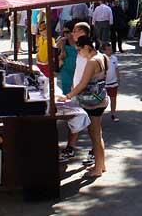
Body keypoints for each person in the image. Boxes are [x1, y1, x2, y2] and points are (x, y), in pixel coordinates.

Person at [58, 35, 109, 178]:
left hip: (92, 102)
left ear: (86, 47)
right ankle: (101, 164)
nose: (79, 53)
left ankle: (98, 168)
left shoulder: (92, 62)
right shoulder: (104, 57)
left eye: (79, 50)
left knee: (95, 135)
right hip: (101, 99)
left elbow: (83, 83)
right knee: (97, 134)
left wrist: (67, 96)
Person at [103, 43, 121, 121]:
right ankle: (99, 114)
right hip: (103, 83)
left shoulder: (114, 58)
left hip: (113, 82)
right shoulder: (101, 59)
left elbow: (116, 68)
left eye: (111, 49)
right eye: (108, 49)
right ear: (104, 51)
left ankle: (113, 114)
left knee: (113, 98)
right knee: (101, 99)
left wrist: (118, 78)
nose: (110, 51)